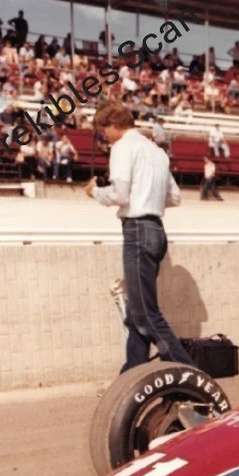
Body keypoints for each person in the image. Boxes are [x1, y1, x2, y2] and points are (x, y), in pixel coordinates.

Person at [85, 102, 194, 373]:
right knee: (137, 310)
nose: (104, 137)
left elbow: (120, 195)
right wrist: (148, 200)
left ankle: (189, 373)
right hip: (157, 229)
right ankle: (133, 373)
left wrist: (95, 193)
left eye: (103, 131)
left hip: (137, 231)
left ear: (112, 125)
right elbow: (175, 197)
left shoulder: (122, 147)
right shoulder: (156, 151)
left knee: (145, 314)